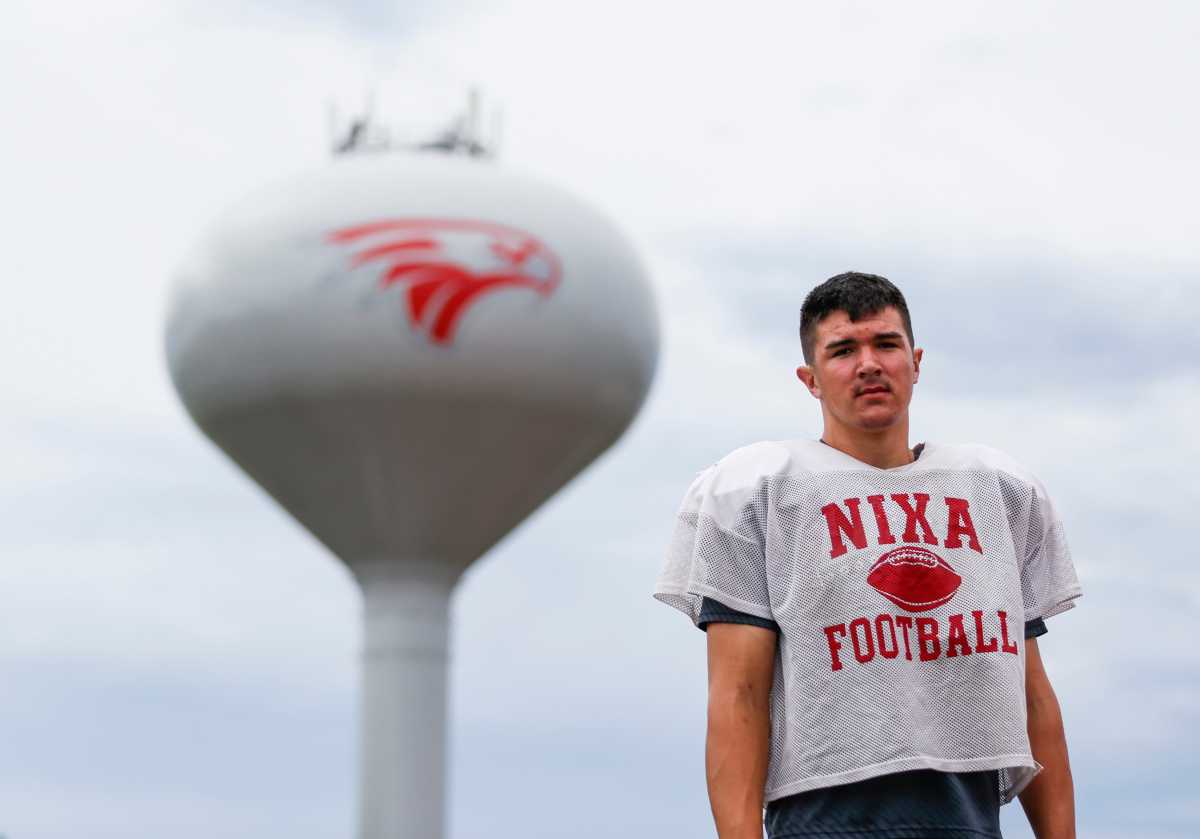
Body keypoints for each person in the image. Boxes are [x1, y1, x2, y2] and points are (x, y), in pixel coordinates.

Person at [654, 272, 1081, 839]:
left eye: (885, 344)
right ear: (810, 378)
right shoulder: (760, 491)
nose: (869, 364)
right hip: (822, 821)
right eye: (842, 350)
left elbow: (1031, 693)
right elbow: (740, 693)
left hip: (969, 817)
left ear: (916, 359)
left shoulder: (995, 491)